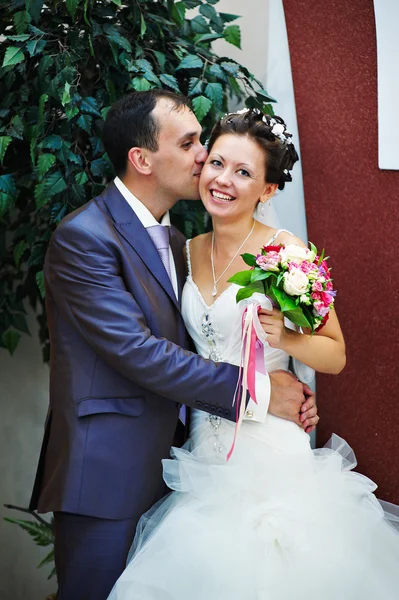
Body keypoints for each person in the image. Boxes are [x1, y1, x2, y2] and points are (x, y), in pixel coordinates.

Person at [29, 91, 318, 600]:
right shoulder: (85, 237)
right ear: (142, 160)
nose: (205, 157)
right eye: (189, 144)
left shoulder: (183, 242)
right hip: (107, 478)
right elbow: (140, 352)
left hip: (184, 471)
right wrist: (262, 393)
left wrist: (284, 380)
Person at [108, 109, 399, 600]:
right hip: (201, 450)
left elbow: (335, 354)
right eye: (217, 163)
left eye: (243, 173)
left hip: (268, 453)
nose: (223, 180)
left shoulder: (286, 256)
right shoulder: (184, 249)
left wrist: (284, 340)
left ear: (266, 191)